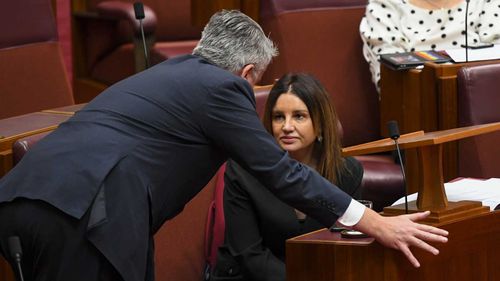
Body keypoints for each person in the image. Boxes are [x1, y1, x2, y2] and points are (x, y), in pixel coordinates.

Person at [0, 10, 447, 281]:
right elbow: (280, 170)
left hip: (22, 197)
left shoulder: (164, 75)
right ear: (248, 73)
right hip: (84, 217)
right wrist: (371, 220)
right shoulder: (221, 88)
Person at [211, 73, 364, 280]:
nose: (287, 127)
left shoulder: (347, 172)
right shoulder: (242, 170)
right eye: (278, 117)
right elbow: (250, 255)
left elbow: (344, 244)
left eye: (299, 116)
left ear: (320, 122)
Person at [360, 0, 500, 90]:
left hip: (484, 104)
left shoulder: (484, 2)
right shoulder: (386, 5)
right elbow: (391, 82)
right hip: (418, 113)